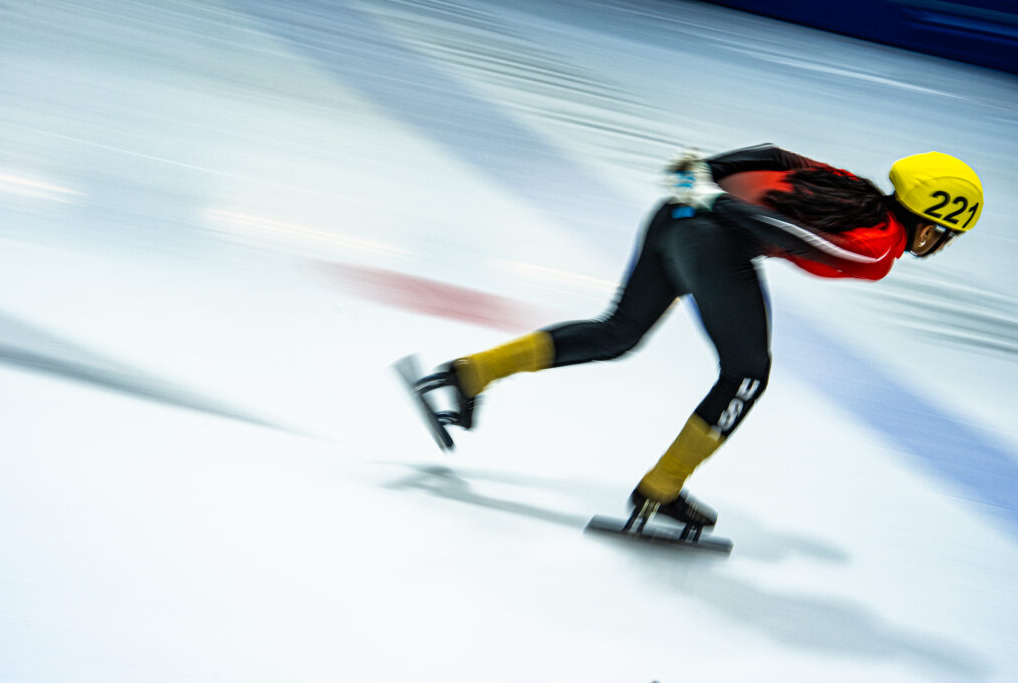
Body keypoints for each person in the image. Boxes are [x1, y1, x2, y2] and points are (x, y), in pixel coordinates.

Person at [420, 143, 983, 529]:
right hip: (715, 235)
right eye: (949, 234)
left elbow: (772, 156)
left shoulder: (851, 186)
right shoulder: (880, 246)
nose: (943, 244)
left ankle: (468, 374)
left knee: (617, 331)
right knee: (746, 375)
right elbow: (789, 232)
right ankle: (660, 489)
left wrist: (705, 176)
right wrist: (719, 204)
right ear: (935, 217)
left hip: (677, 214)